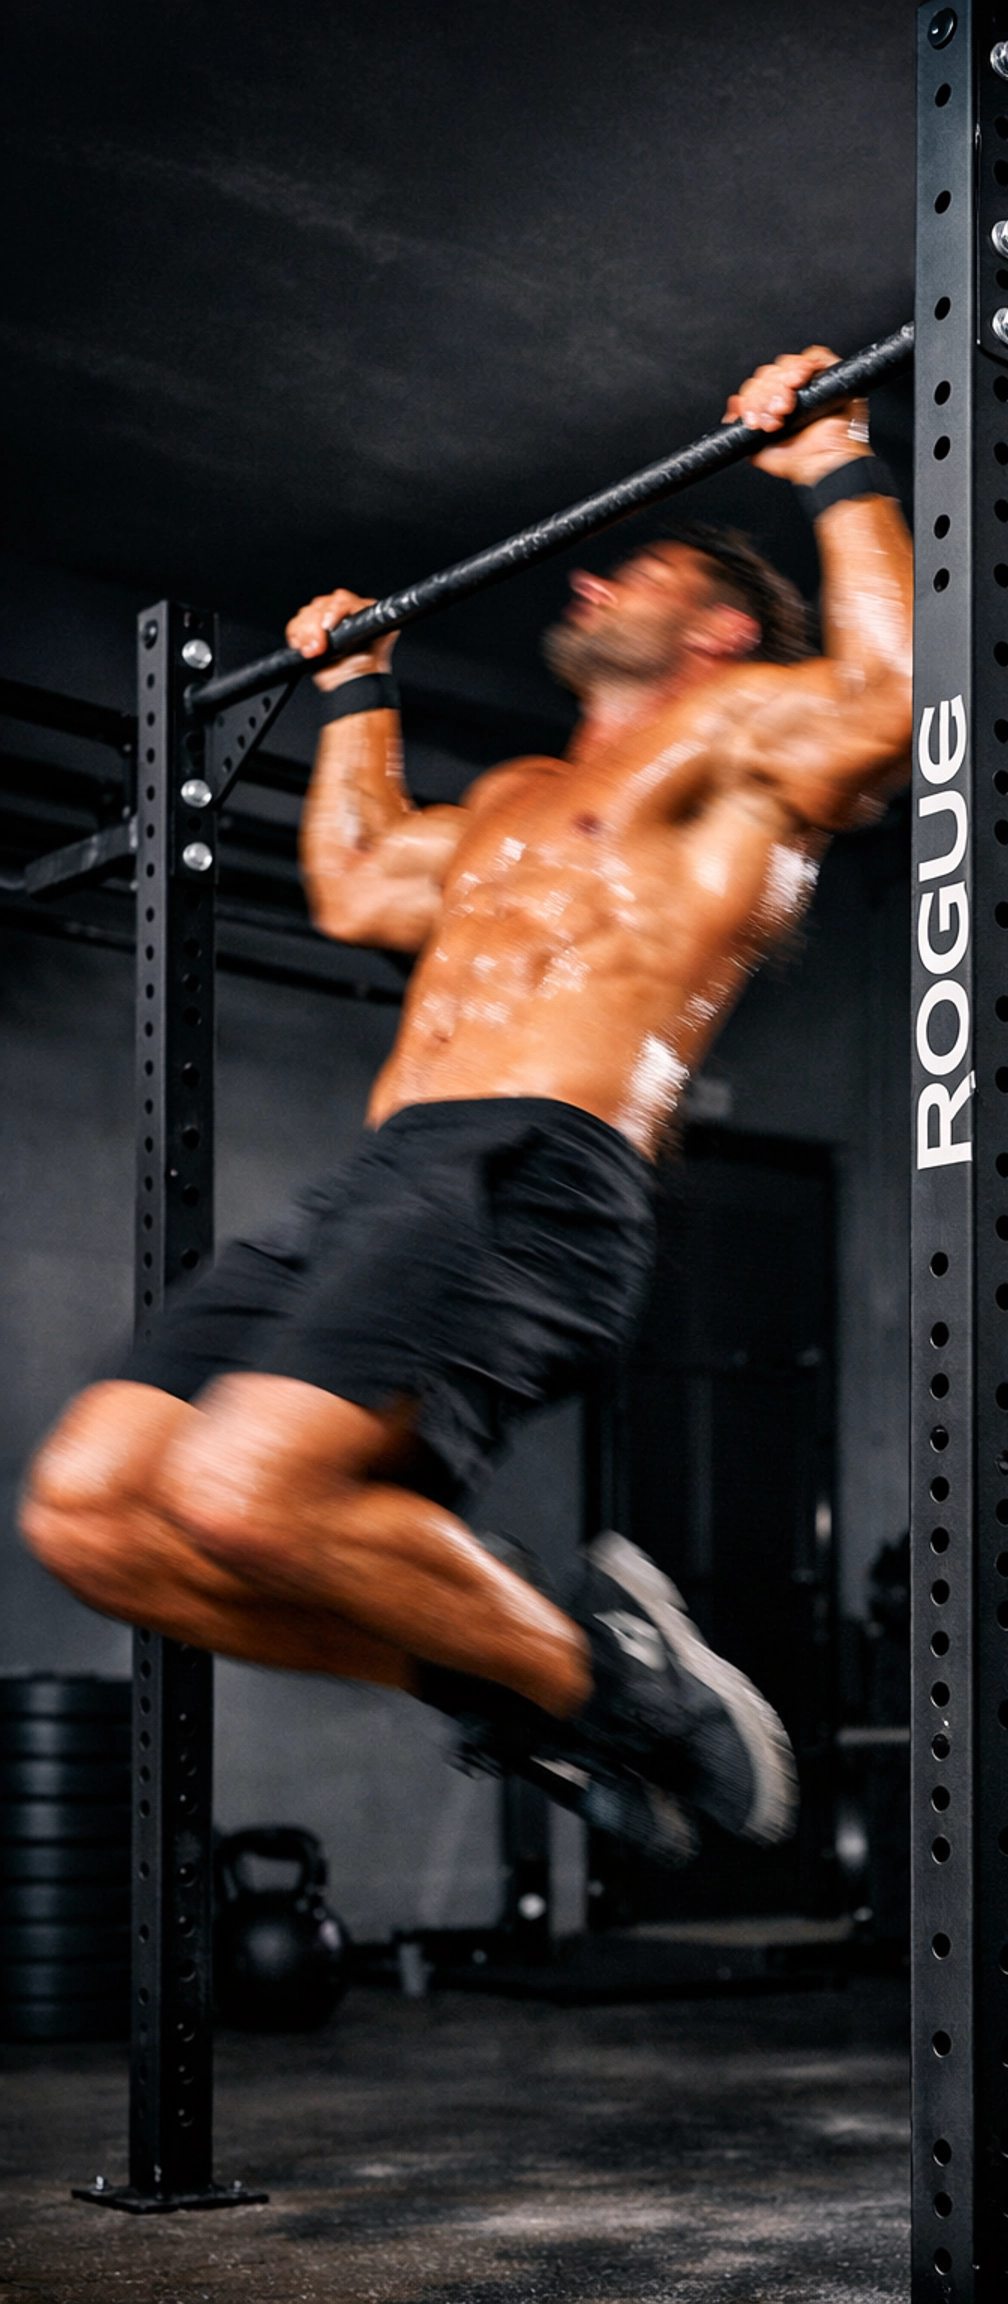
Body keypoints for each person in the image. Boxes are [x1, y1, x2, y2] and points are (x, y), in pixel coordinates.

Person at [21, 347, 914, 1864]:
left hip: (539, 1169)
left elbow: (887, 702)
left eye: (631, 573)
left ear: (714, 627)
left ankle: (629, 1692)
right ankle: (541, 1677)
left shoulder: (743, 744)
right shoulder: (501, 804)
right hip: (384, 1181)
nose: (585, 587)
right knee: (94, 1512)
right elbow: (360, 882)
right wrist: (357, 688)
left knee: (240, 1499)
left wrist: (835, 457)